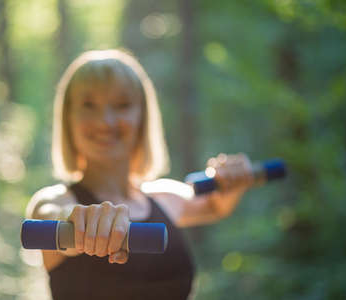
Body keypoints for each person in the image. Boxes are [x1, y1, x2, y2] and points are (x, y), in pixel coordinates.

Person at [25, 49, 254, 300]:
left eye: (122, 105)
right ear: (68, 117)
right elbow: (54, 218)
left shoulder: (164, 197)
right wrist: (77, 221)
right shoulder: (55, 202)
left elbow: (216, 205)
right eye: (89, 105)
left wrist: (233, 177)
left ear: (142, 117)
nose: (106, 121)